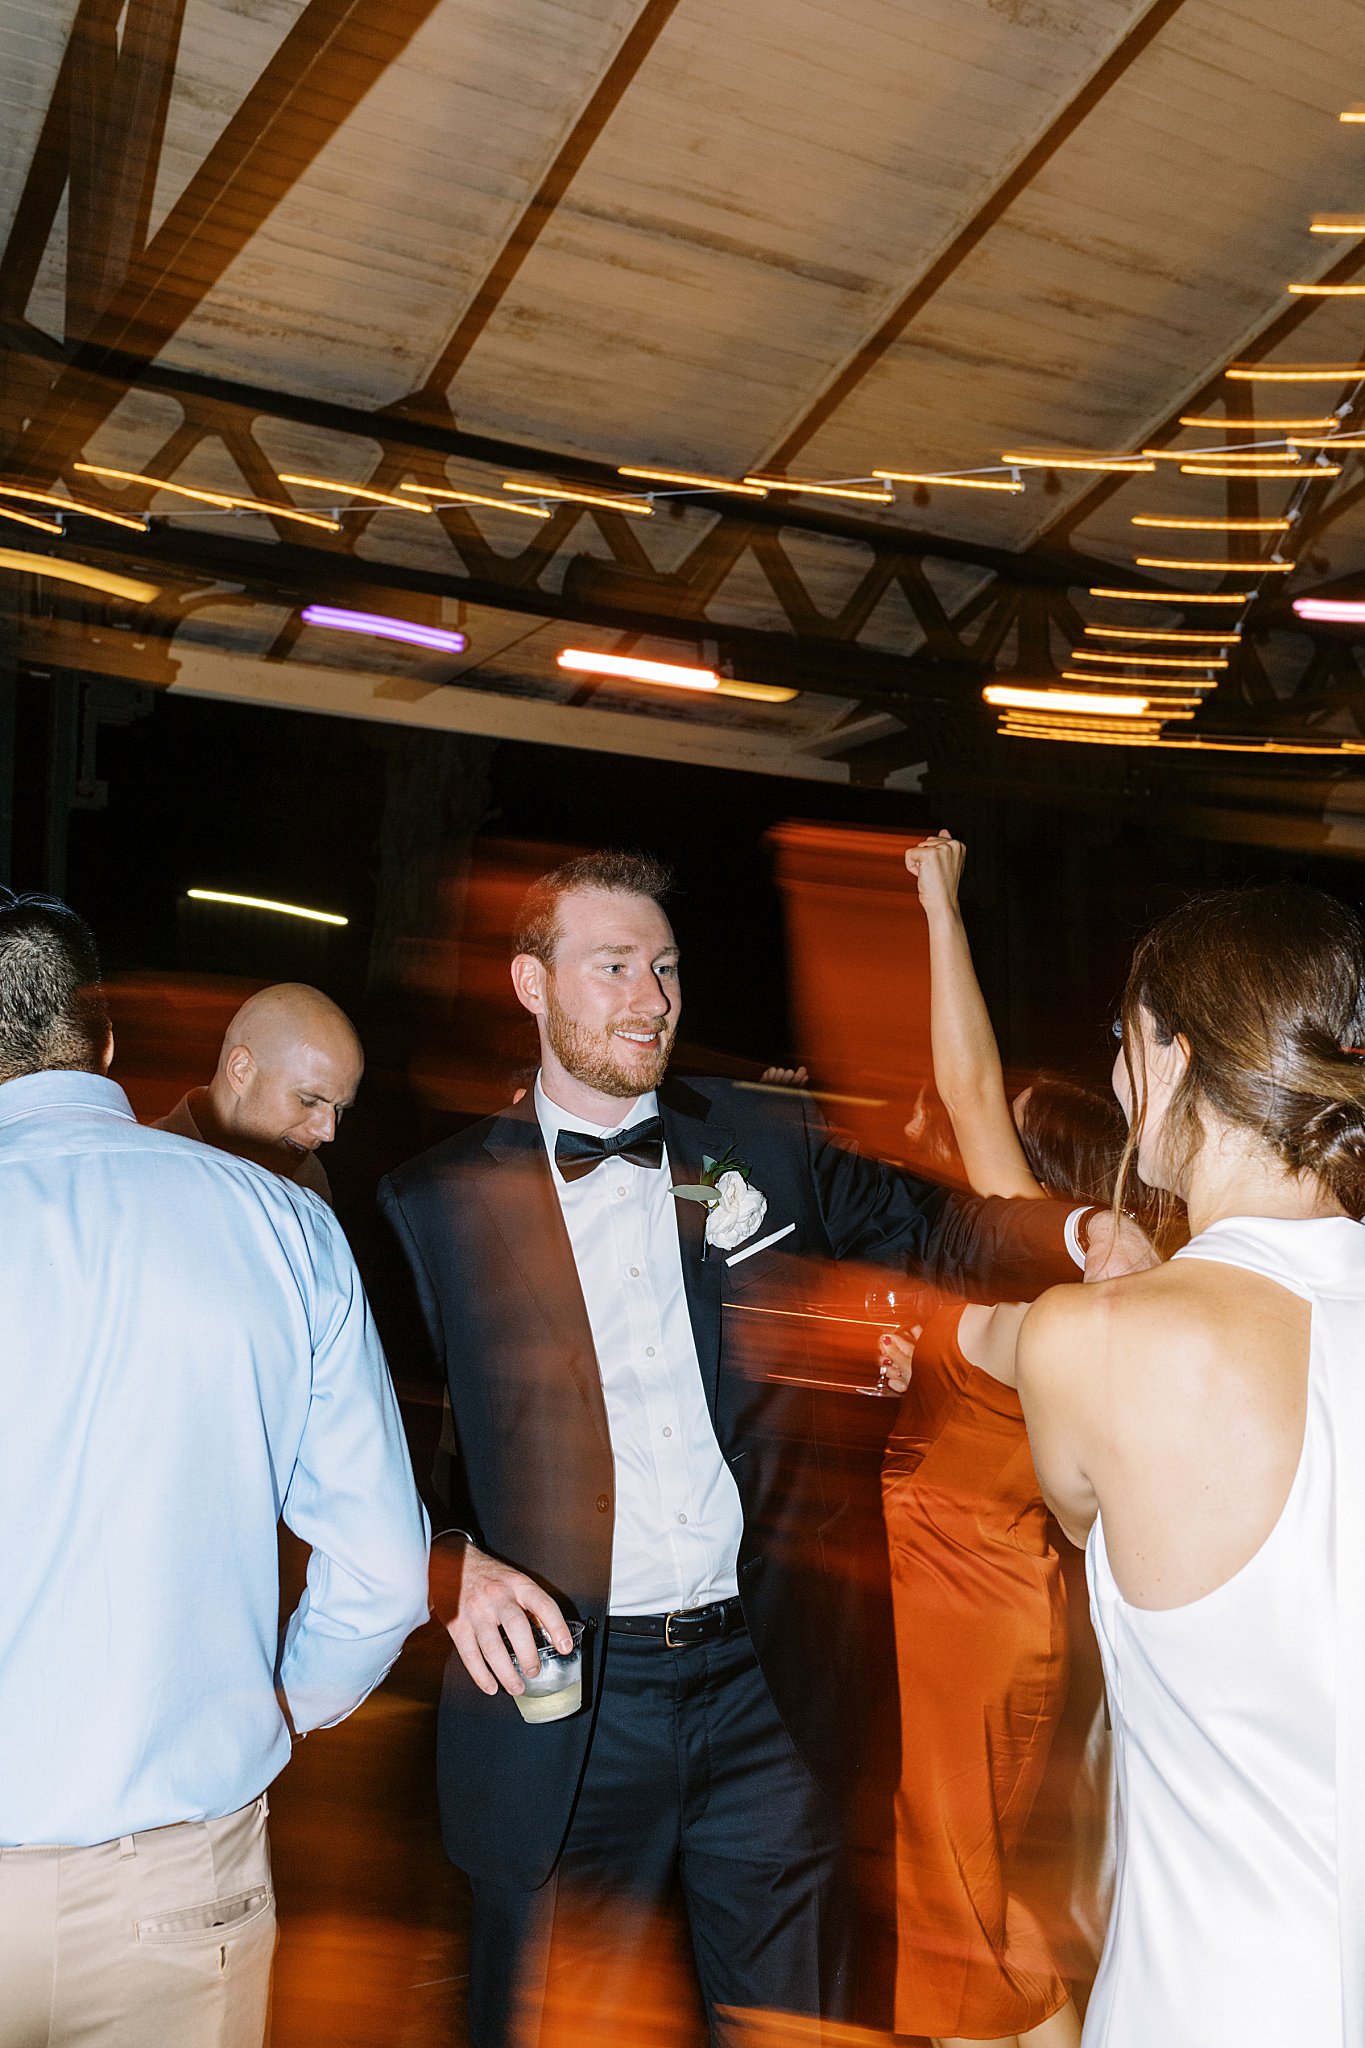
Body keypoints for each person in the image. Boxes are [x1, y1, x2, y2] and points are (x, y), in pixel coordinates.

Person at [375, 849, 1151, 2048]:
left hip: (763, 1684)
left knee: (799, 2023)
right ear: (531, 983)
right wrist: (451, 1560)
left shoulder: (751, 1142)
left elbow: (933, 1221)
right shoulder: (434, 1203)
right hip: (571, 1690)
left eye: (667, 969)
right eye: (616, 967)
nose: (652, 998)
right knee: (552, 2018)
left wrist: (1078, 1222)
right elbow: (370, 1448)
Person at [0, 893, 430, 2048]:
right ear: (103, 1042)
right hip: (174, 1881)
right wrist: (282, 1700)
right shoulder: (282, 1228)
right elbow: (388, 1567)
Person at [1017, 883, 1365, 2048]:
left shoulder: (1089, 1344)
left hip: (1207, 2006)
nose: (1117, 1084)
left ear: (1169, 1058)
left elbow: (1078, 1507)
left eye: (1122, 1044)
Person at [878, 833, 1121, 2048]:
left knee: (960, 1932)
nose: (973, 1142)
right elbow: (972, 1096)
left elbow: (976, 1098)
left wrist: (943, 909)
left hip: (969, 1621)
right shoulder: (1064, 1276)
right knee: (975, 1913)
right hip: (969, 1611)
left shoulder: (1048, 1286)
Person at [156, 981, 363, 1202]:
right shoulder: (149, 1164)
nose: (327, 1132)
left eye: (339, 1109)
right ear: (241, 1071)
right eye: (308, 1101)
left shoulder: (309, 1177)